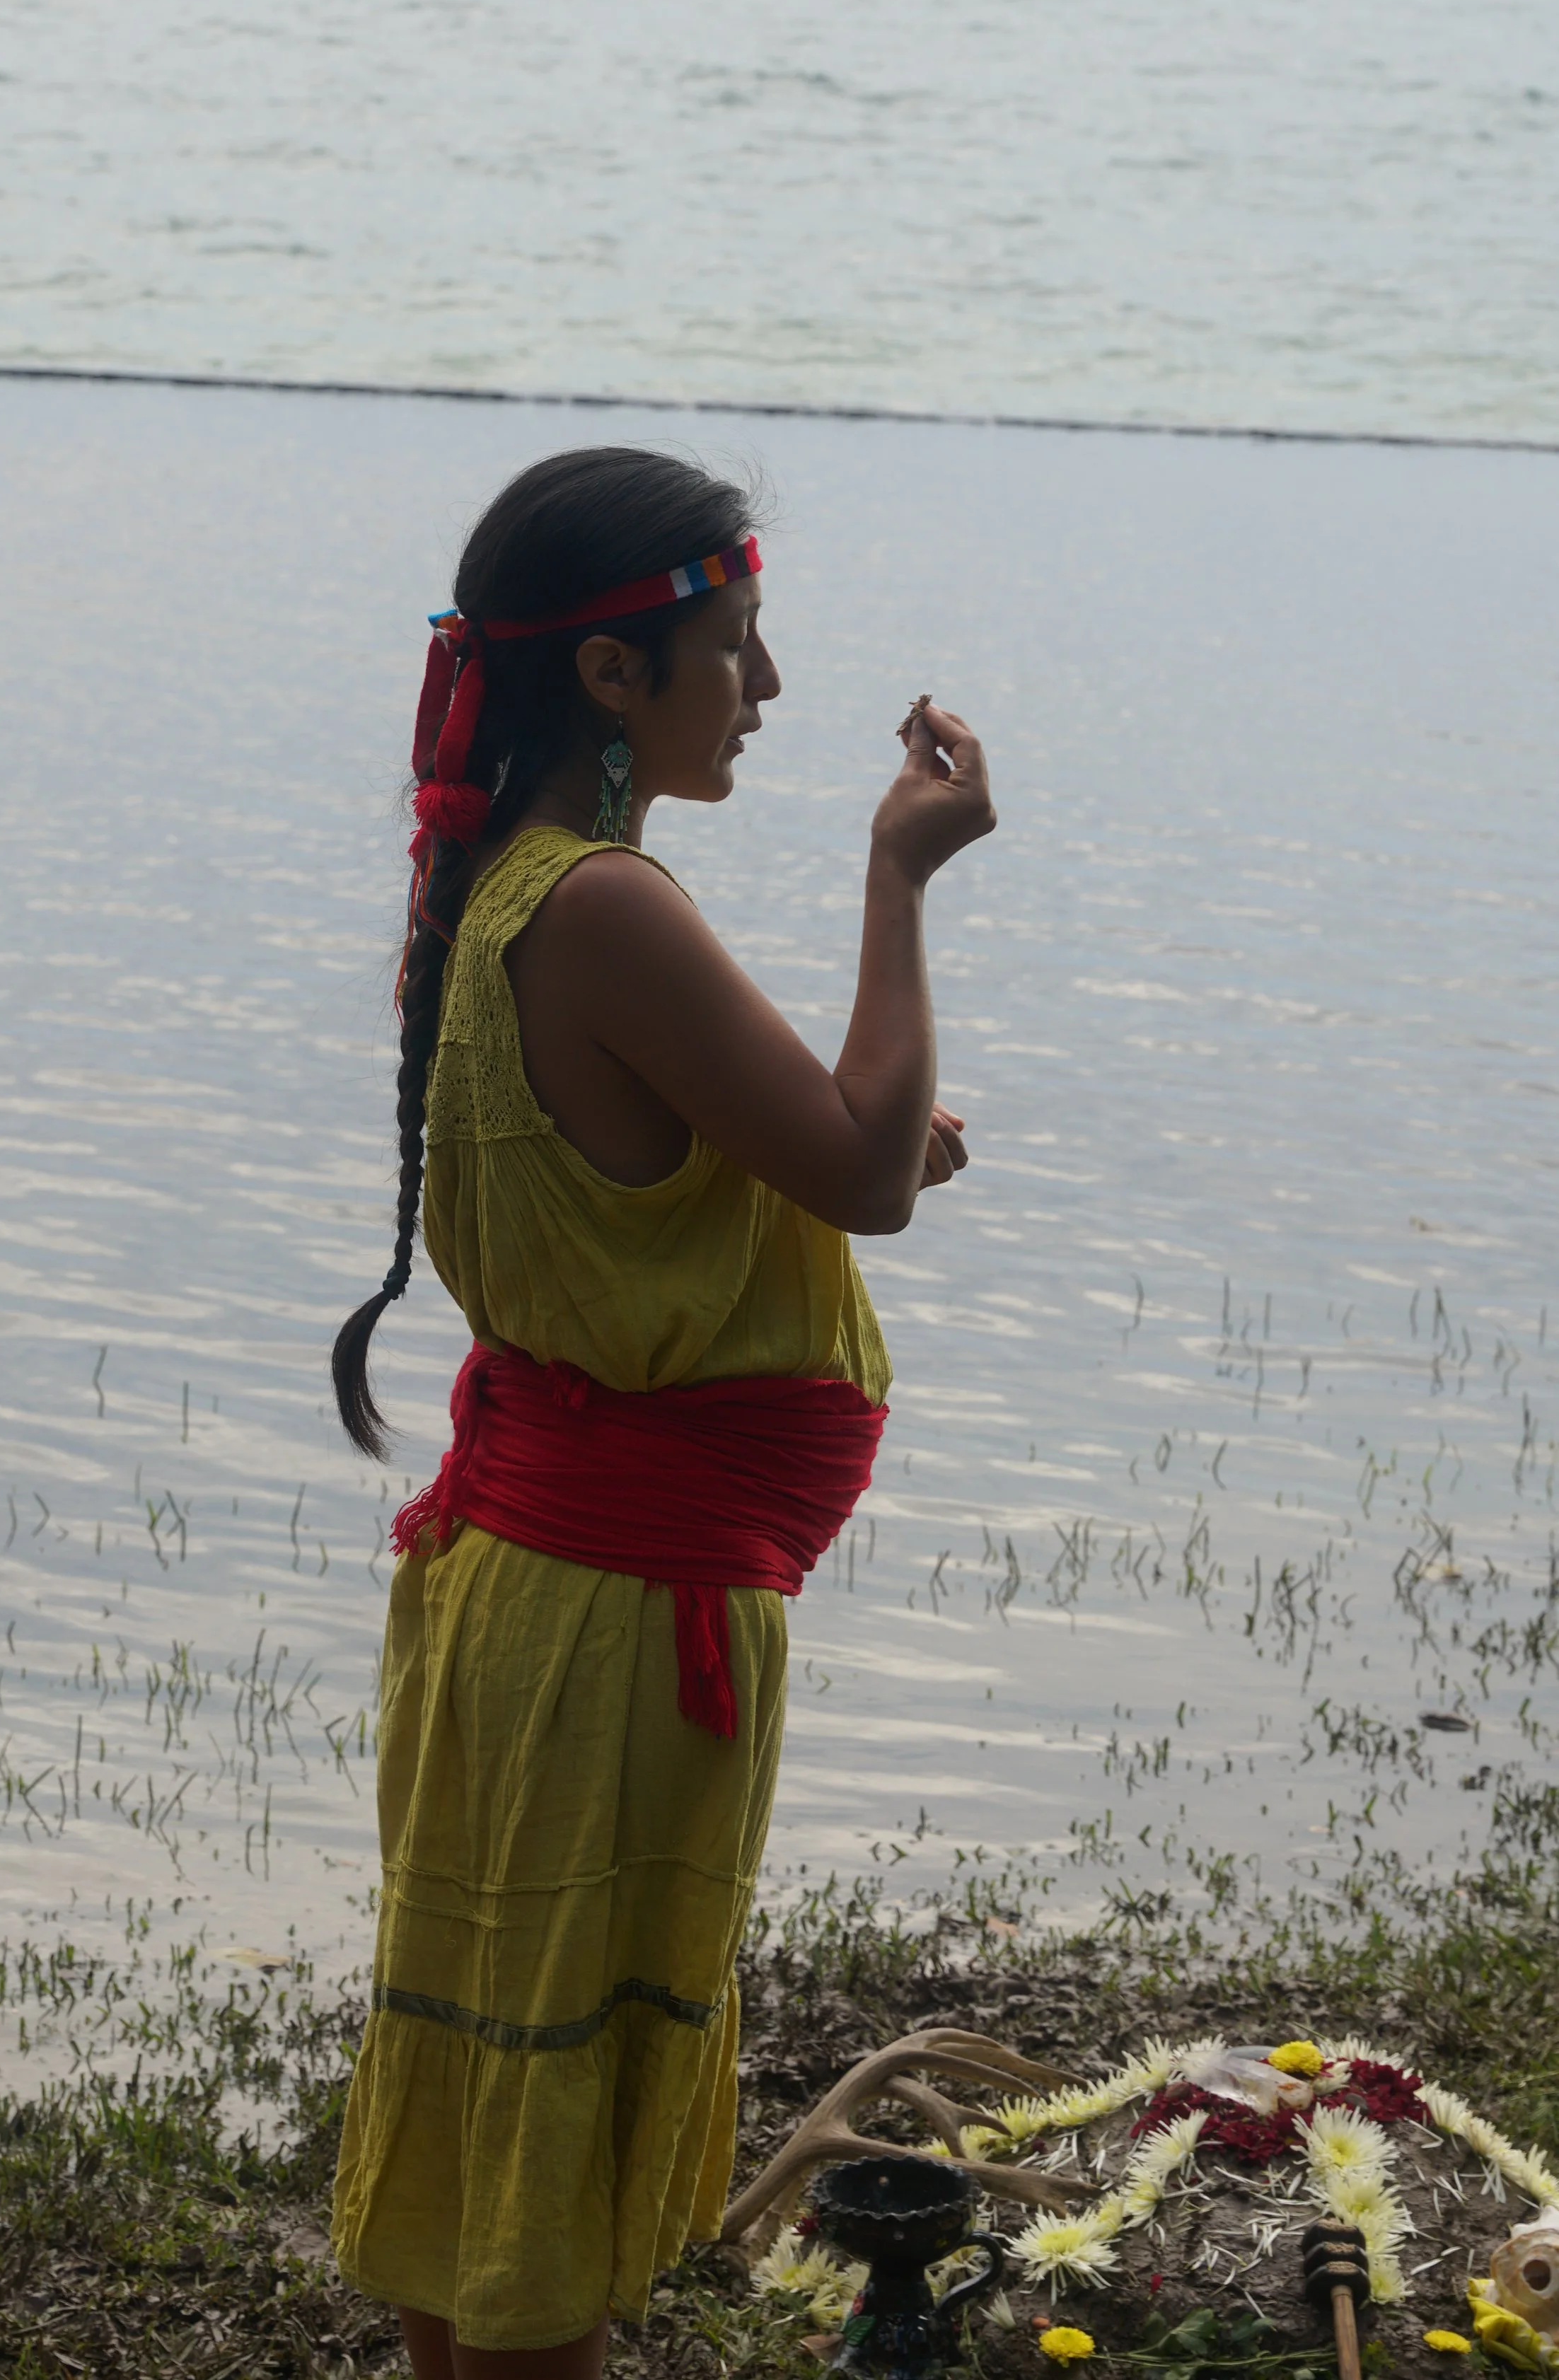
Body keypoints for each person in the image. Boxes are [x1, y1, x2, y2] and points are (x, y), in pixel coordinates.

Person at [330, 445, 995, 2380]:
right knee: (558, 2106)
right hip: (614, 1629)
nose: (765, 689)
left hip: (522, 1587)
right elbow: (860, 1172)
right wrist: (899, 869)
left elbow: (670, 1179)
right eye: (731, 643)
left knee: (490, 2084)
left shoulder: (490, 892)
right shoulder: (606, 908)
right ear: (612, 678)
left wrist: (853, 1147)